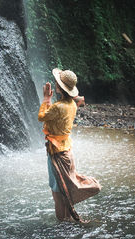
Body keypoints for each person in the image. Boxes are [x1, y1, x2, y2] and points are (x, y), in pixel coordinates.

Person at [38, 68, 101, 223]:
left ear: (59, 88)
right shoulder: (72, 104)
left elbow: (42, 117)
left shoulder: (58, 106)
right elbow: (56, 116)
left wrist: (46, 98)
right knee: (64, 192)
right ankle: (67, 223)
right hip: (67, 152)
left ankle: (62, 229)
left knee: (57, 194)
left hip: (57, 153)